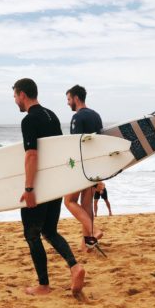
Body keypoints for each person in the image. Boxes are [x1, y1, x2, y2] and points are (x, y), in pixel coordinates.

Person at [13, 78, 85, 296]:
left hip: (40, 187)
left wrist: (29, 189)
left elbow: (32, 154)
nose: (15, 100)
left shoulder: (29, 120)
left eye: (15, 96)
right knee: (50, 230)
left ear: (23, 95)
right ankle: (74, 266)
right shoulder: (51, 115)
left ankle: (44, 285)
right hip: (55, 183)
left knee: (32, 234)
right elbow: (59, 151)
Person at [64, 85, 103, 251]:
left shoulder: (77, 118)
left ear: (76, 98)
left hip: (82, 167)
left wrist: (70, 166)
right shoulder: (96, 116)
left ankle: (93, 231)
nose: (68, 103)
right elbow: (101, 143)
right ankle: (87, 244)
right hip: (95, 166)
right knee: (86, 206)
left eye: (68, 99)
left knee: (69, 201)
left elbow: (76, 145)